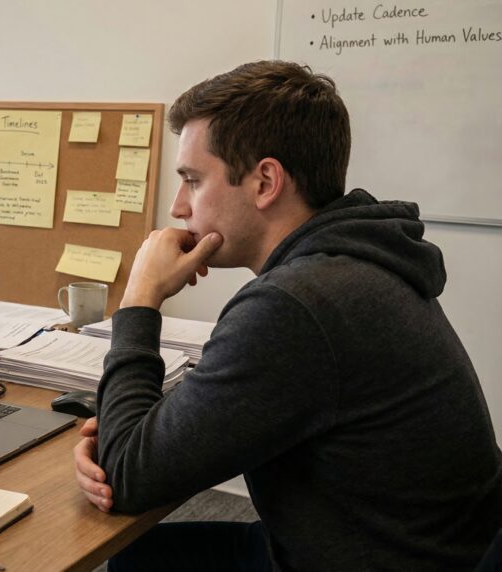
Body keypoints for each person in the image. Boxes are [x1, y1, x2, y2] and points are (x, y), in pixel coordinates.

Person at [73, 60, 502, 571]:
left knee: (129, 558)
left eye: (192, 180)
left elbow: (126, 477)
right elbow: (169, 436)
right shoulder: (358, 263)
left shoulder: (296, 305)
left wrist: (139, 298)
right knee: (139, 557)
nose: (178, 207)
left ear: (265, 182)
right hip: (410, 549)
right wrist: (131, 432)